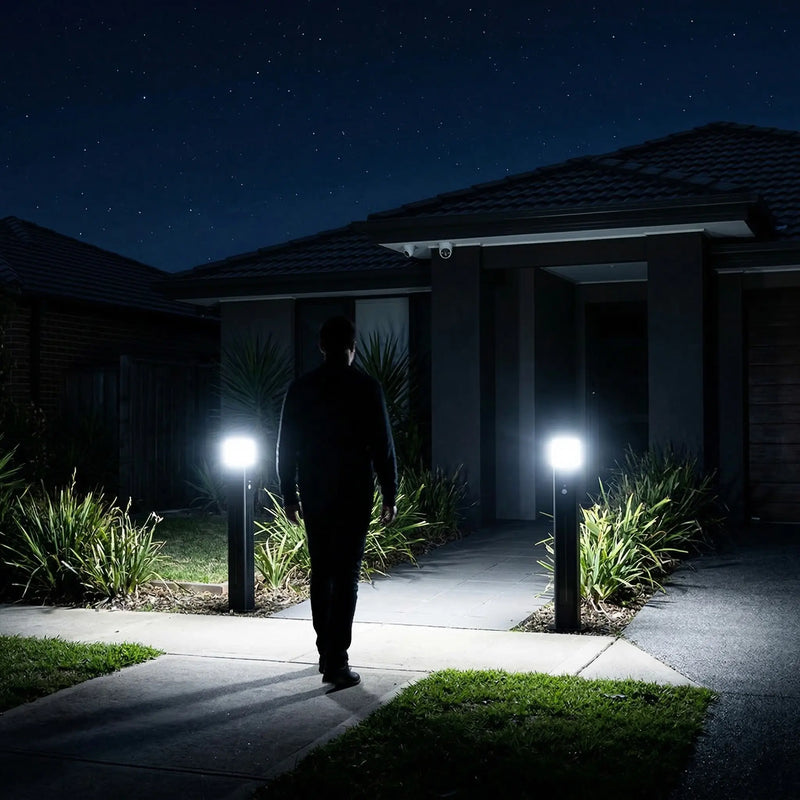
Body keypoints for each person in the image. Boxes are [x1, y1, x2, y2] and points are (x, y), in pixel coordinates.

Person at [276, 316, 397, 689]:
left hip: (315, 490)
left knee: (322, 571)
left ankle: (325, 652)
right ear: (353, 347)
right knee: (346, 576)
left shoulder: (301, 388)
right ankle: (337, 660)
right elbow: (383, 444)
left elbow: (286, 446)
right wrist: (389, 493)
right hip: (353, 491)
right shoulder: (366, 387)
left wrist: (288, 494)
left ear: (321, 347)